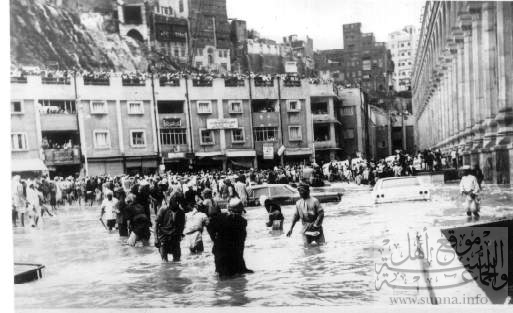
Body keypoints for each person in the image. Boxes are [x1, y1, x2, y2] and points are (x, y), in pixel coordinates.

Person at [207, 198, 253, 278]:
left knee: (222, 279)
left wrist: (214, 239)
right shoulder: (242, 221)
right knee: (238, 279)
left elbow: (209, 226)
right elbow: (241, 241)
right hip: (233, 254)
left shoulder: (218, 218)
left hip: (220, 252)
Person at [155, 194, 186, 262]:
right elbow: (156, 224)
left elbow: (182, 225)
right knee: (164, 261)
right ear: (171, 201)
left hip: (175, 238)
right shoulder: (163, 209)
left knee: (177, 260)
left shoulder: (181, 212)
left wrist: (180, 235)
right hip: (164, 237)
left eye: (178, 202)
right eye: (175, 202)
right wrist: (156, 238)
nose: (177, 204)